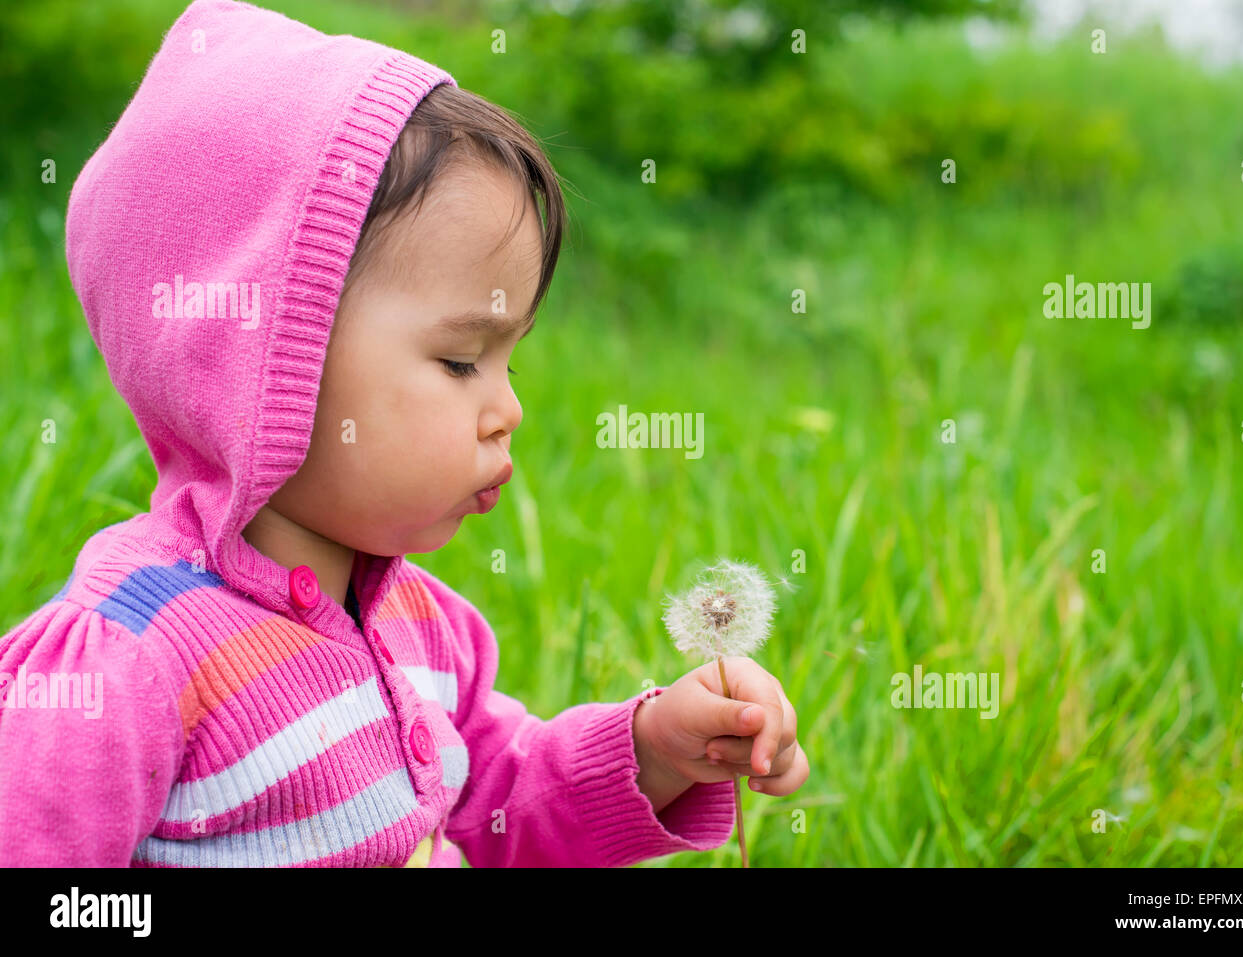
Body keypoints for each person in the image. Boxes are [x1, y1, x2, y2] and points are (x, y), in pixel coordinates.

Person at [0, 0, 807, 867]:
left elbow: (493, 806)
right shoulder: (127, 664)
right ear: (270, 358)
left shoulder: (425, 627)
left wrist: (655, 753)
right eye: (462, 361)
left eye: (508, 361)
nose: (509, 409)